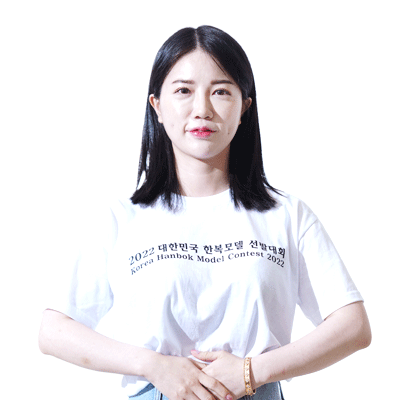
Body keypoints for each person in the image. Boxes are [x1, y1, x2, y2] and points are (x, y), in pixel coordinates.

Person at [39, 25, 371, 400]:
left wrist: (252, 371)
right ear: (157, 106)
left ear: (244, 107)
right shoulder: (122, 218)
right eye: (184, 90)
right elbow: (53, 330)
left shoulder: (287, 215)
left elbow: (353, 326)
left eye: (221, 92)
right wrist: (152, 365)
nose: (202, 109)